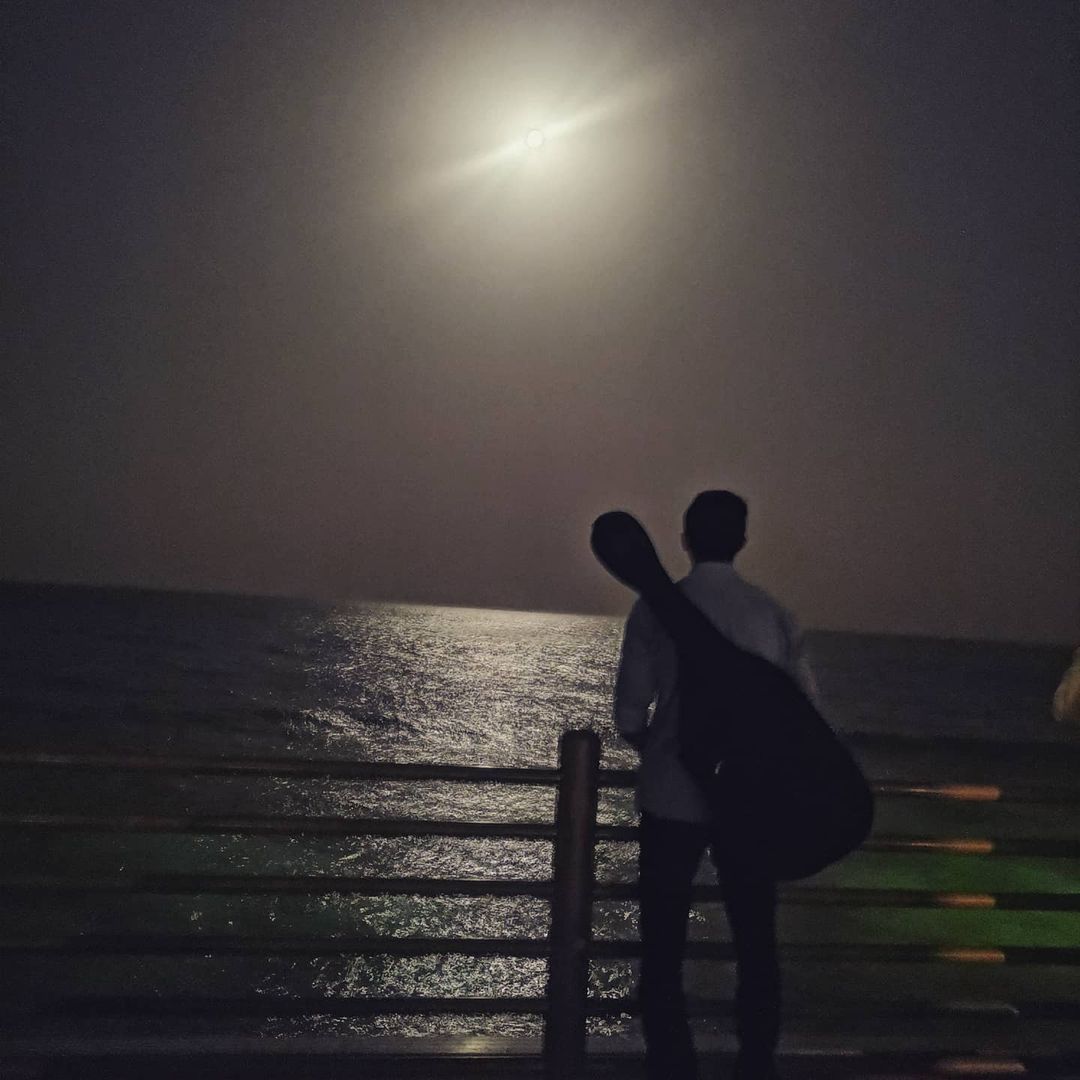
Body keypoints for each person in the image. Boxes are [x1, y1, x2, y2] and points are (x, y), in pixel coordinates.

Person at [614, 490, 818, 1080]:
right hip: (750, 801)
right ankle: (755, 1062)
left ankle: (671, 1062)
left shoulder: (655, 608)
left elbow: (630, 713)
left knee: (662, 944)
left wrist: (659, 751)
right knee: (756, 941)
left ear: (684, 539)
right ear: (742, 541)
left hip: (670, 794)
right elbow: (804, 712)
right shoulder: (773, 615)